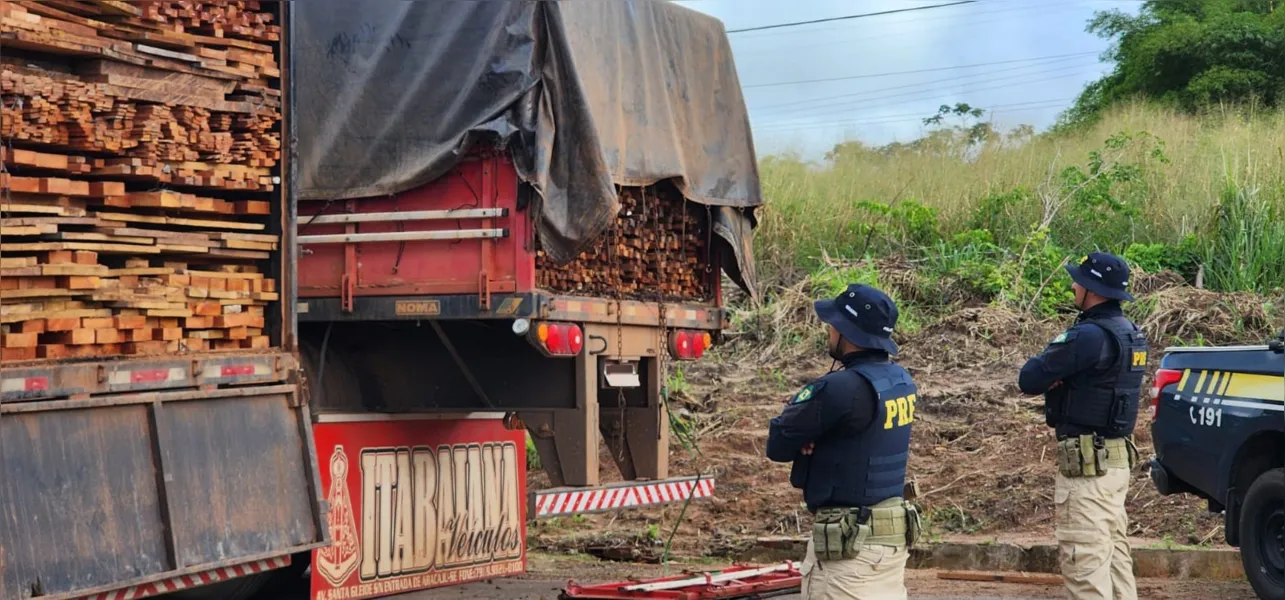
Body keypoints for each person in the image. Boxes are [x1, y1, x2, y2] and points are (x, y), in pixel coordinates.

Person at [767, 283, 921, 600]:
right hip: (888, 547)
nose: (829, 331)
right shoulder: (901, 381)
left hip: (849, 558)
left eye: (833, 325)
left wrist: (808, 440)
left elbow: (778, 444)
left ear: (846, 333)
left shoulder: (840, 388)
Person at [1018, 252, 1148, 600]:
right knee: (1115, 563)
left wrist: (1060, 379)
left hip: (1089, 471)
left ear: (1092, 290)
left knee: (1085, 569)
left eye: (1079, 281)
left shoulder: (1088, 336)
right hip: (1116, 463)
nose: (1074, 285)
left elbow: (1029, 378)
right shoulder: (1130, 333)